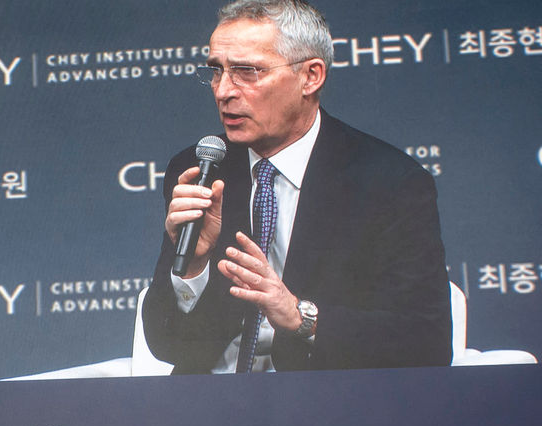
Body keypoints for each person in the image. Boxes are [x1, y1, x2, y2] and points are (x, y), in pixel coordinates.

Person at [143, 0, 451, 373]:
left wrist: (301, 317)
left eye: (247, 71)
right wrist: (193, 266)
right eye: (216, 71)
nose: (223, 91)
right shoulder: (200, 168)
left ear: (311, 76)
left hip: (329, 403)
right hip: (213, 404)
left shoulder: (390, 182)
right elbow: (166, 344)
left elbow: (428, 343)